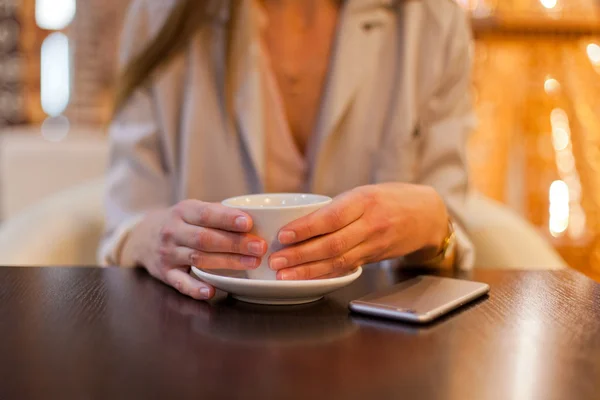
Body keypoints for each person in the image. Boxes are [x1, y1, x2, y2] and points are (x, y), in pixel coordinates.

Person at [100, 0, 476, 300]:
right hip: (202, 341)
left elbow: (452, 239)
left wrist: (431, 224)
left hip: (377, 348)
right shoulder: (158, 15)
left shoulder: (432, 22)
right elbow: (127, 223)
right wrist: (149, 236)